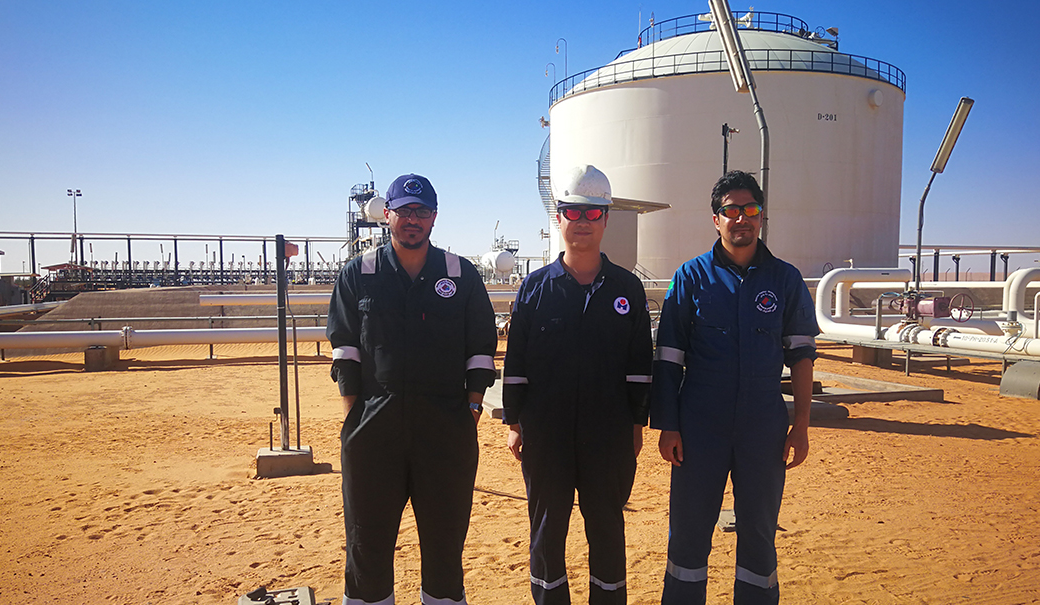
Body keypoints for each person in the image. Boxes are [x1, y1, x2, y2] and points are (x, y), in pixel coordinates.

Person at [327, 173, 498, 605]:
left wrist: (472, 409)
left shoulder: (460, 274)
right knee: (366, 542)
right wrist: (354, 415)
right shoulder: (359, 273)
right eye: (404, 211)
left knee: (445, 544)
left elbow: (481, 348)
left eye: (421, 211)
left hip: (446, 428)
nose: (412, 219)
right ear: (387, 214)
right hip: (373, 426)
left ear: (434, 217)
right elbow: (344, 348)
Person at [650, 171, 818, 605]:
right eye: (731, 210)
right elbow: (668, 358)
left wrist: (801, 424)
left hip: (762, 426)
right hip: (699, 426)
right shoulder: (691, 277)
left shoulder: (785, 280)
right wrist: (668, 425)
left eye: (750, 209)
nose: (741, 218)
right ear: (716, 219)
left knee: (759, 530)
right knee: (689, 531)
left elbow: (802, 356)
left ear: (761, 216)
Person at [502, 165, 654, 605]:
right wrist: (514, 422)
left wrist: (636, 423)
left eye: (592, 213)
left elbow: (639, 365)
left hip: (609, 434)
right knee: (547, 530)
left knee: (606, 526)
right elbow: (516, 363)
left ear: (606, 218)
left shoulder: (627, 288)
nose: (582, 222)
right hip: (545, 433)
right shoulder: (535, 289)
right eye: (573, 212)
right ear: (559, 217)